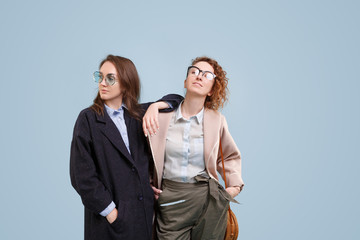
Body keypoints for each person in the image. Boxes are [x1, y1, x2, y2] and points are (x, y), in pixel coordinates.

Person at [70, 54, 182, 240]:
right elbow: (81, 175)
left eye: (110, 78)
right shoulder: (88, 119)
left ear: (126, 83)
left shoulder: (138, 115)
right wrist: (111, 212)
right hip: (108, 220)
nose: (103, 83)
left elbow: (177, 100)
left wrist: (155, 106)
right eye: (100, 76)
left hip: (142, 215)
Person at [143, 56, 244, 240]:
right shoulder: (161, 116)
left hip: (208, 199)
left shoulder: (217, 120)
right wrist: (146, 183)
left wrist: (233, 187)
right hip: (170, 199)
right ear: (186, 80)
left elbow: (228, 156)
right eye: (194, 72)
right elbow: (145, 155)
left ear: (212, 89)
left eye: (207, 75)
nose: (199, 76)